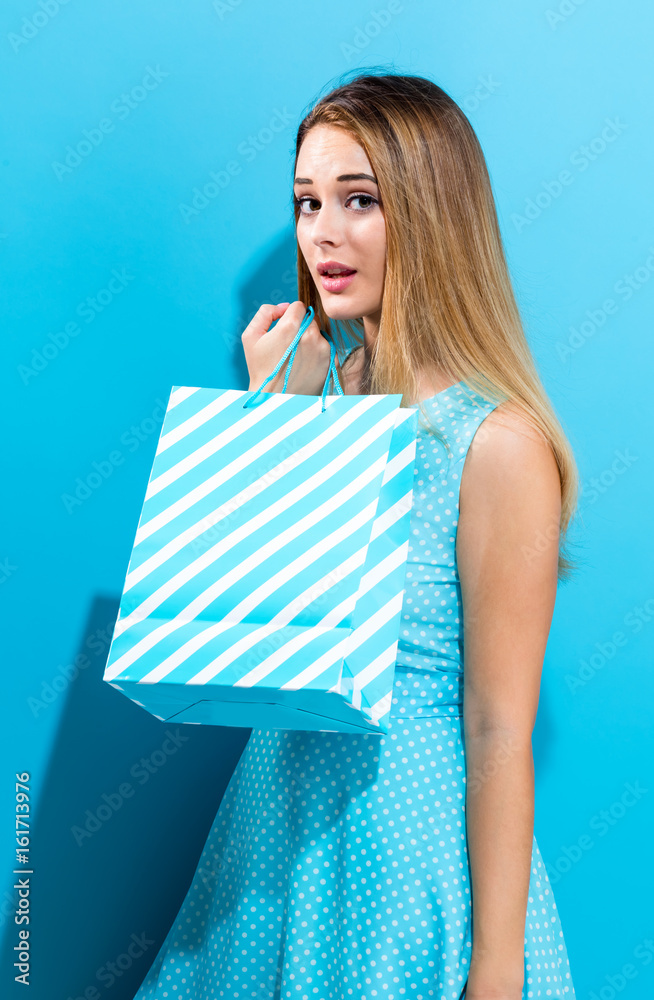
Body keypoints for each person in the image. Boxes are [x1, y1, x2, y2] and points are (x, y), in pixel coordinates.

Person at [133, 71, 578, 1000]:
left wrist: (497, 969)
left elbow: (501, 726)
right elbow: (242, 655)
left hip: (403, 856)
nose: (321, 233)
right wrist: (272, 425)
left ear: (432, 214)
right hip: (271, 833)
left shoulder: (494, 444)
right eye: (305, 202)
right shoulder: (314, 399)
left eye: (359, 201)